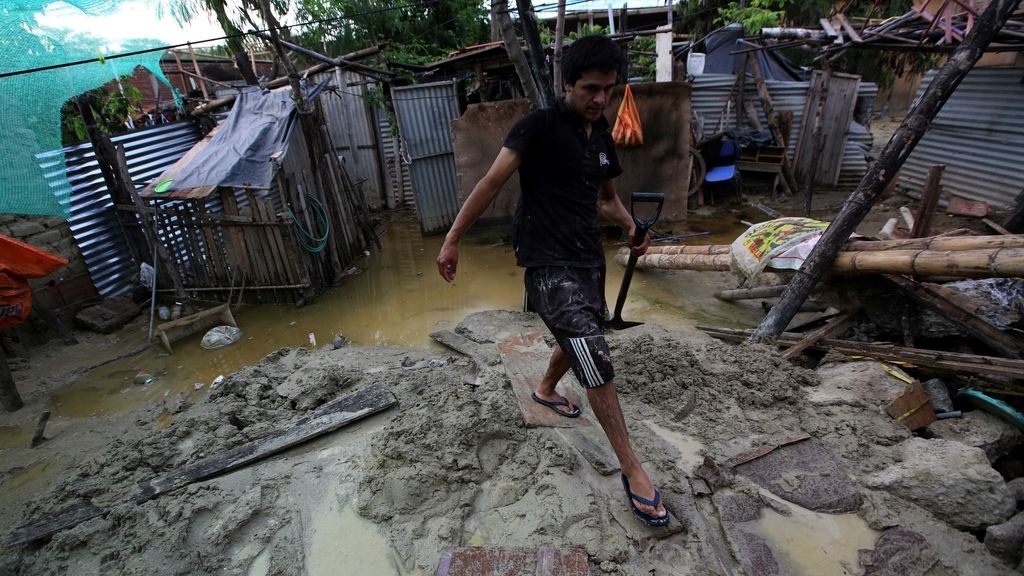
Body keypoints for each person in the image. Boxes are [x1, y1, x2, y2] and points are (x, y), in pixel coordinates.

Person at [436, 35, 669, 527]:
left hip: (587, 257)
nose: (600, 99)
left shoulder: (602, 134)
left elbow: (606, 199)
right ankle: (633, 469)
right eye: (590, 88)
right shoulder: (537, 127)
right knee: (592, 351)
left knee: (586, 331)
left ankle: (544, 388)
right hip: (545, 261)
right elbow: (490, 183)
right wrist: (453, 238)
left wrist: (630, 228)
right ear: (567, 84)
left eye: (608, 89)